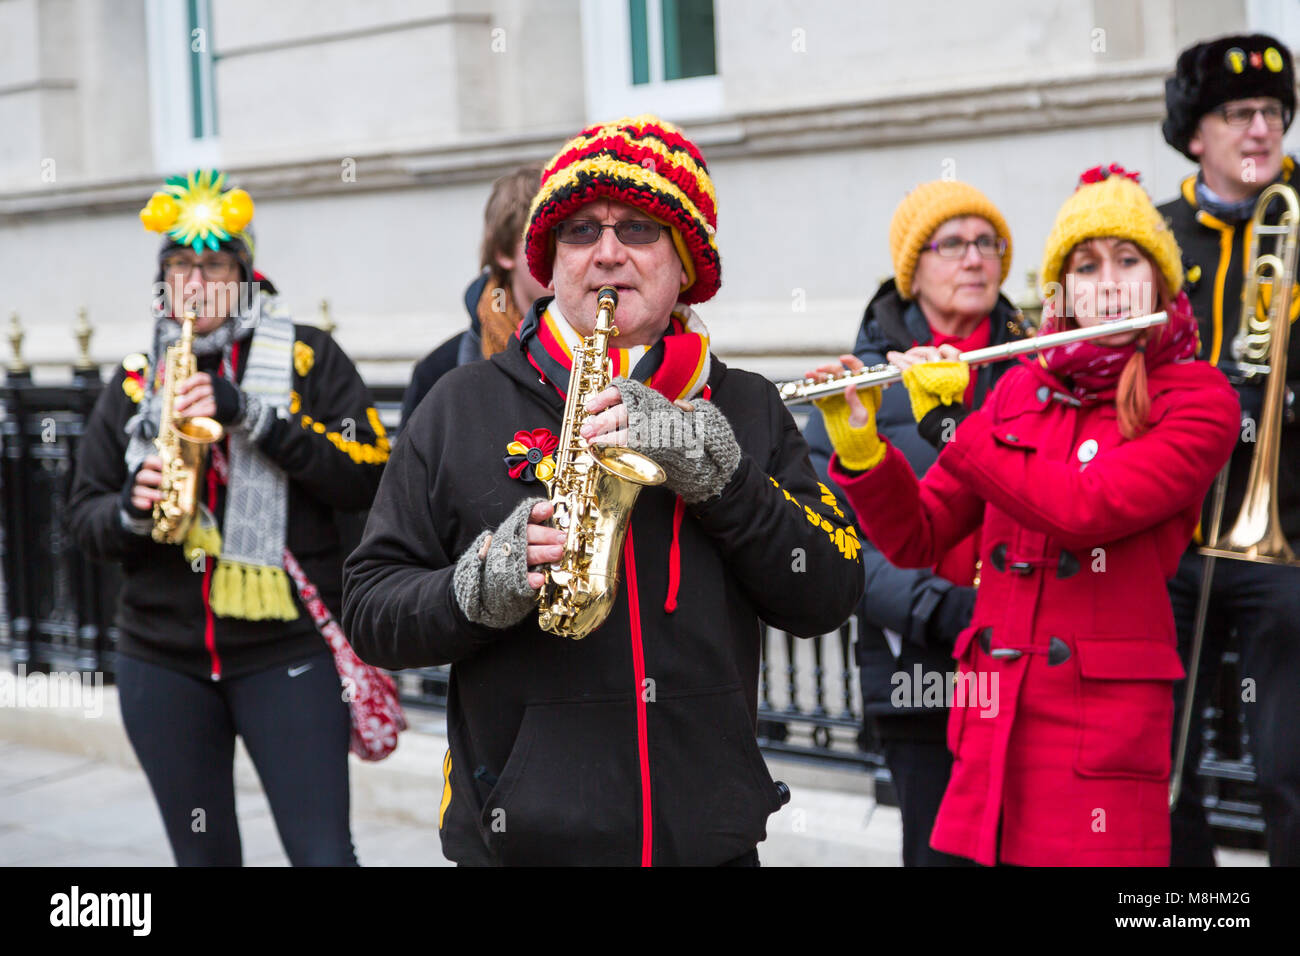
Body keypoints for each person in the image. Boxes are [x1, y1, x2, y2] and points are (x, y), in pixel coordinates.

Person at [342, 115, 864, 866]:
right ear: (549, 266)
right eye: (580, 232)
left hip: (709, 844)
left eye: (641, 230)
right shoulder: (460, 405)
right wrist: (476, 588)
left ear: (687, 263)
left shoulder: (745, 403)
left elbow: (830, 592)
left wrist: (724, 481)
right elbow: (368, 608)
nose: (609, 253)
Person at [812, 164, 1239, 865]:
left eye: (1128, 261)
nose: (1107, 281)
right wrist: (862, 450)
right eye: (1086, 264)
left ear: (1160, 282)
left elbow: (1084, 509)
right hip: (991, 725)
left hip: (1097, 735)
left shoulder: (1197, 396)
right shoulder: (1019, 390)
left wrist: (954, 423)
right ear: (1062, 289)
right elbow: (918, 536)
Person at [68, 170, 391, 866]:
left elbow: (366, 472)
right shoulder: (132, 380)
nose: (195, 281)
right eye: (179, 264)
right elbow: (81, 518)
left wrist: (253, 416)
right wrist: (129, 508)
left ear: (245, 272)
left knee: (324, 856)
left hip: (286, 654)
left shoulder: (307, 355)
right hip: (161, 659)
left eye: (213, 263)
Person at [803, 180, 1025, 866]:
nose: (975, 260)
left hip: (1028, 661)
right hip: (919, 669)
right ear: (913, 268)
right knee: (940, 854)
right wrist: (938, 608)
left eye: (988, 243)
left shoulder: (1035, 367)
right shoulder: (859, 384)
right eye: (952, 244)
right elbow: (833, 540)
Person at [1160, 32, 1300, 866]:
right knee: (1166, 766)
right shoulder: (1152, 235)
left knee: (1289, 769)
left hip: (1285, 538)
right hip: (1174, 541)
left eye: (1274, 113)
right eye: (1238, 113)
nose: (1261, 130)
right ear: (1196, 134)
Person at [400, 163, 548, 428]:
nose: (567, 256)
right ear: (503, 253)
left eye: (576, 236)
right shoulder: (438, 371)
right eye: (544, 240)